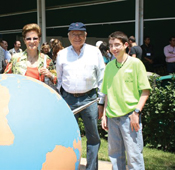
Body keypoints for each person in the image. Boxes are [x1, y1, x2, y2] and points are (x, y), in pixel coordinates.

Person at [56, 22, 105, 170]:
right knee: (68, 135)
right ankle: (69, 165)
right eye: (74, 34)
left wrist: (101, 101)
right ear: (69, 36)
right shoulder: (62, 54)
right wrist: (61, 100)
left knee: (93, 137)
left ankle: (91, 168)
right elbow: (59, 78)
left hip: (89, 99)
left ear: (85, 35)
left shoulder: (94, 52)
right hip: (68, 99)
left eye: (80, 34)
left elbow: (102, 76)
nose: (77, 37)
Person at [101, 31, 151, 170]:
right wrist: (105, 115)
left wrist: (136, 112)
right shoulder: (109, 67)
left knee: (134, 157)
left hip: (130, 117)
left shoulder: (136, 64)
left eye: (117, 45)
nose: (114, 48)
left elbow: (145, 91)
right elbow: (107, 93)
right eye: (111, 45)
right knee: (115, 157)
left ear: (126, 45)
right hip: (112, 117)